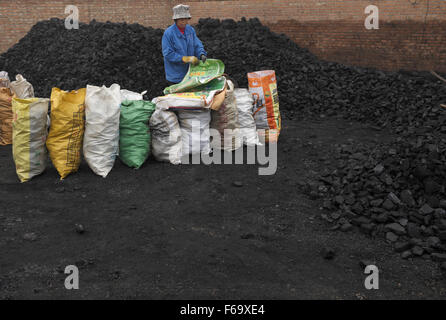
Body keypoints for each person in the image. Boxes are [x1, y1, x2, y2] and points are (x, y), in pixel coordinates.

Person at [162, 4, 207, 86]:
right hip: (175, 76)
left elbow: (197, 44)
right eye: (181, 20)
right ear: (176, 20)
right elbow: (168, 54)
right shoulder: (168, 33)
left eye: (185, 19)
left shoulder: (190, 30)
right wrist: (185, 59)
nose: (184, 22)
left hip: (190, 73)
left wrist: (201, 54)